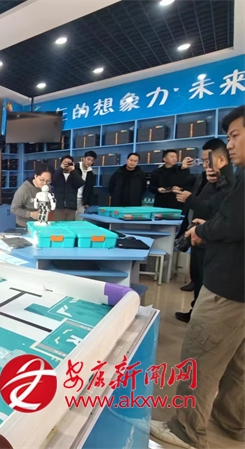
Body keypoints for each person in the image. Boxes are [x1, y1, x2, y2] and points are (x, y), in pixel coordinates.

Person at [150, 105, 245, 449]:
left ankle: (186, 430)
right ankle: (231, 421)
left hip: (226, 287)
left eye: (235, 136)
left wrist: (202, 232)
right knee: (238, 363)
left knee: (201, 357)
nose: (229, 145)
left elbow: (231, 223)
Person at [174, 139, 235, 323]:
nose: (205, 165)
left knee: (206, 281)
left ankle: (200, 317)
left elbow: (215, 209)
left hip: (210, 238)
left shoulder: (230, 182)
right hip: (200, 232)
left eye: (208, 161)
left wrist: (190, 199)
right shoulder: (209, 178)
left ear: (221, 159)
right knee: (198, 277)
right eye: (203, 161)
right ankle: (195, 312)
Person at [10, 163, 52, 227]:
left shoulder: (47, 187)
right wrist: (31, 214)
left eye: (48, 181)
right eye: (42, 180)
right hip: (25, 225)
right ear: (35, 176)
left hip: (41, 223)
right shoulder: (24, 189)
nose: (44, 183)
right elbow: (14, 209)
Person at [51, 156, 85, 221]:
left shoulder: (75, 174)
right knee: (58, 225)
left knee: (70, 225)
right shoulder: (57, 173)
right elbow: (53, 182)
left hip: (71, 207)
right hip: (58, 207)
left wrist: (73, 170)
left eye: (69, 162)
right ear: (61, 163)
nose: (67, 164)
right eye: (65, 162)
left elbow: (80, 183)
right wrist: (60, 169)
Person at [74, 151, 97, 219]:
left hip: (82, 199)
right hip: (73, 198)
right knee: (70, 219)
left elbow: (90, 188)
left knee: (79, 219)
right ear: (83, 158)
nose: (89, 162)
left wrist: (87, 202)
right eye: (88, 159)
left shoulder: (90, 173)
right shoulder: (75, 168)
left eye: (92, 160)